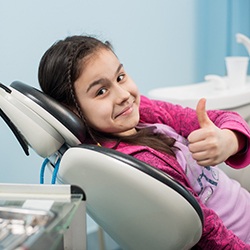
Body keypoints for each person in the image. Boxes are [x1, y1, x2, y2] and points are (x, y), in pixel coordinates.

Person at [38, 35, 250, 249]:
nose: (123, 95)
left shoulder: (140, 112)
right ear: (73, 112)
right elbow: (211, 236)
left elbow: (221, 119)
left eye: (120, 77)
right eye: (101, 91)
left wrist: (230, 140)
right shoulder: (143, 162)